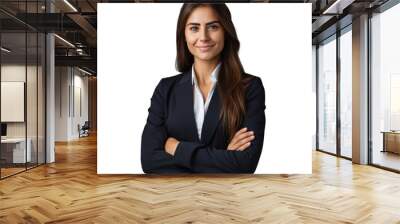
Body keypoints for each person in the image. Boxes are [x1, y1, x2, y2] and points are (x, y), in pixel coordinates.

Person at [141, 3, 266, 173]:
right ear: (183, 35)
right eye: (194, 28)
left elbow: (245, 163)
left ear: (226, 32)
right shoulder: (165, 89)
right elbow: (149, 161)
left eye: (213, 27)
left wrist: (176, 148)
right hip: (173, 196)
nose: (203, 37)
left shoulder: (250, 87)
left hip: (226, 197)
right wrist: (224, 158)